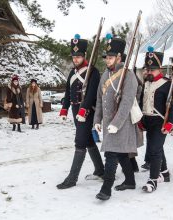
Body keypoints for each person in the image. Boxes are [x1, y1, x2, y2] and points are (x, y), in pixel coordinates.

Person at [94, 34, 139, 200]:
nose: (107, 60)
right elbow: (99, 99)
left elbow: (127, 102)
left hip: (122, 123)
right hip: (108, 123)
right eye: (106, 57)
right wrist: (97, 120)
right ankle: (130, 180)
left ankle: (106, 189)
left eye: (111, 57)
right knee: (120, 153)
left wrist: (116, 123)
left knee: (111, 155)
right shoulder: (105, 75)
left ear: (119, 57)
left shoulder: (129, 75)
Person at [56, 34, 104, 189]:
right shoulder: (72, 72)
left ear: (84, 56)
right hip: (76, 111)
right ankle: (100, 170)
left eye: (78, 56)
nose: (75, 59)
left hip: (87, 111)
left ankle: (72, 178)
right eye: (73, 56)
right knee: (88, 140)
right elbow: (68, 92)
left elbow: (91, 94)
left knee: (80, 141)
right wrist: (64, 109)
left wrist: (84, 110)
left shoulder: (93, 72)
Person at [139, 46, 173, 192]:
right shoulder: (146, 82)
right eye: (147, 69)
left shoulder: (168, 84)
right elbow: (143, 101)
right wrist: (141, 120)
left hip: (160, 121)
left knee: (154, 150)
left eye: (152, 70)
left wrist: (170, 123)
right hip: (148, 120)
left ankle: (153, 180)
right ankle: (165, 173)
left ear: (160, 69)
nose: (149, 72)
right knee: (157, 147)